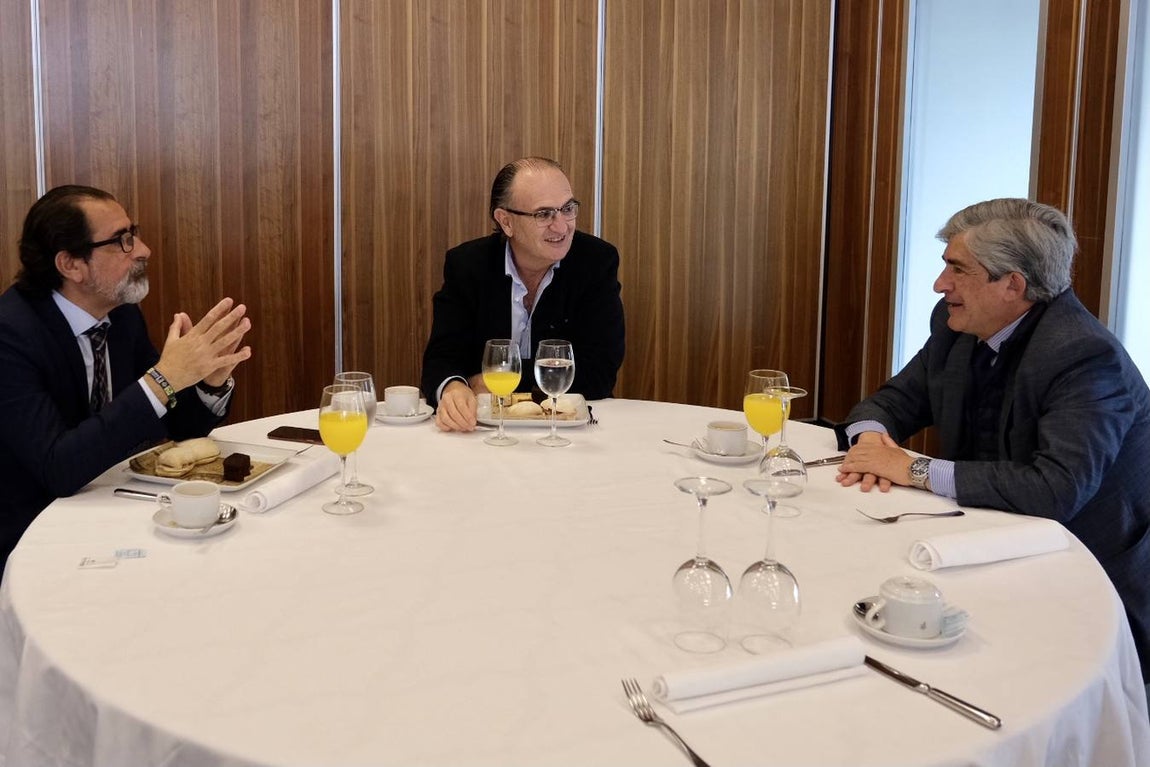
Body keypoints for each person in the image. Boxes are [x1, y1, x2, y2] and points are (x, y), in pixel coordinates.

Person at [834, 198, 1150, 679]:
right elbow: (890, 402)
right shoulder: (957, 323)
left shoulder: (1085, 357)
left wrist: (913, 469)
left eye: (957, 270)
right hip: (982, 545)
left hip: (1086, 579)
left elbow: (1055, 490)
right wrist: (872, 443)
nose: (940, 286)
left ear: (1013, 284)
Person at [0, 185, 252, 577]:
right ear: (71, 265)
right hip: (31, 539)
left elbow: (172, 423)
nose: (143, 249)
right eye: (123, 240)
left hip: (113, 512)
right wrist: (164, 378)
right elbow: (57, 467)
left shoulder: (121, 316)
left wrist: (208, 383)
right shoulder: (10, 335)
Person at [421, 157, 625, 432]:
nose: (562, 226)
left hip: (569, 430)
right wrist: (454, 386)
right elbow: (441, 359)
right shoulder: (468, 264)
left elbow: (599, 371)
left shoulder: (596, 261)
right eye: (543, 214)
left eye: (567, 209)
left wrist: (496, 379)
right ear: (506, 221)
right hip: (485, 430)